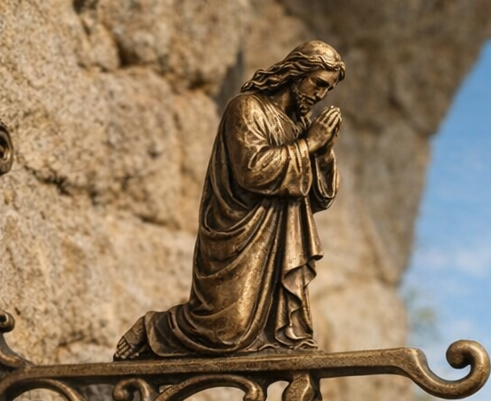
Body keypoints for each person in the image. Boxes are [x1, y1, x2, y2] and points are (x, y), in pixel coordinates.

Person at [115, 40, 345, 360]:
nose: (320, 95)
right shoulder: (247, 108)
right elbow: (253, 171)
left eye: (327, 89)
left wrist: (324, 152)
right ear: (296, 73)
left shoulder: (301, 126)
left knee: (280, 327)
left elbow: (320, 198)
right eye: (317, 83)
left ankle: (281, 336)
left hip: (281, 237)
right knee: (226, 329)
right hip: (238, 232)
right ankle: (155, 327)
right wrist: (308, 145)